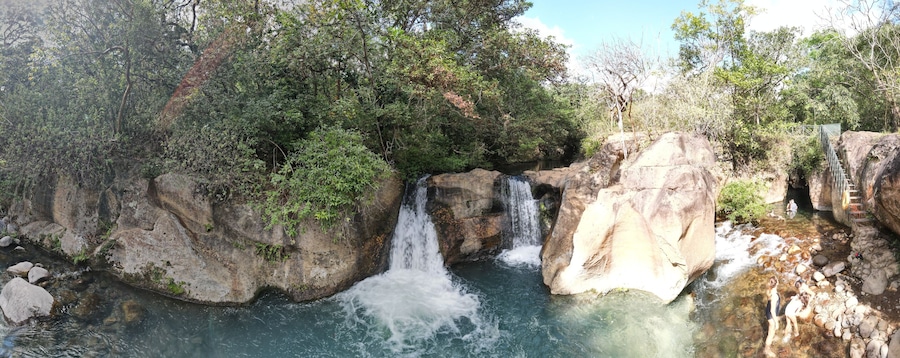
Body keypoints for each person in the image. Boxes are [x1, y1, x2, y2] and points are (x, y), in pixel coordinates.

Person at [764, 276, 781, 356]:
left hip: (768, 311)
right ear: (777, 283)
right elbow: (772, 311)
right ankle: (766, 350)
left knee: (771, 331)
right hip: (771, 315)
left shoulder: (769, 289)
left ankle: (772, 337)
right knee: (770, 334)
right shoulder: (775, 296)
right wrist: (776, 322)